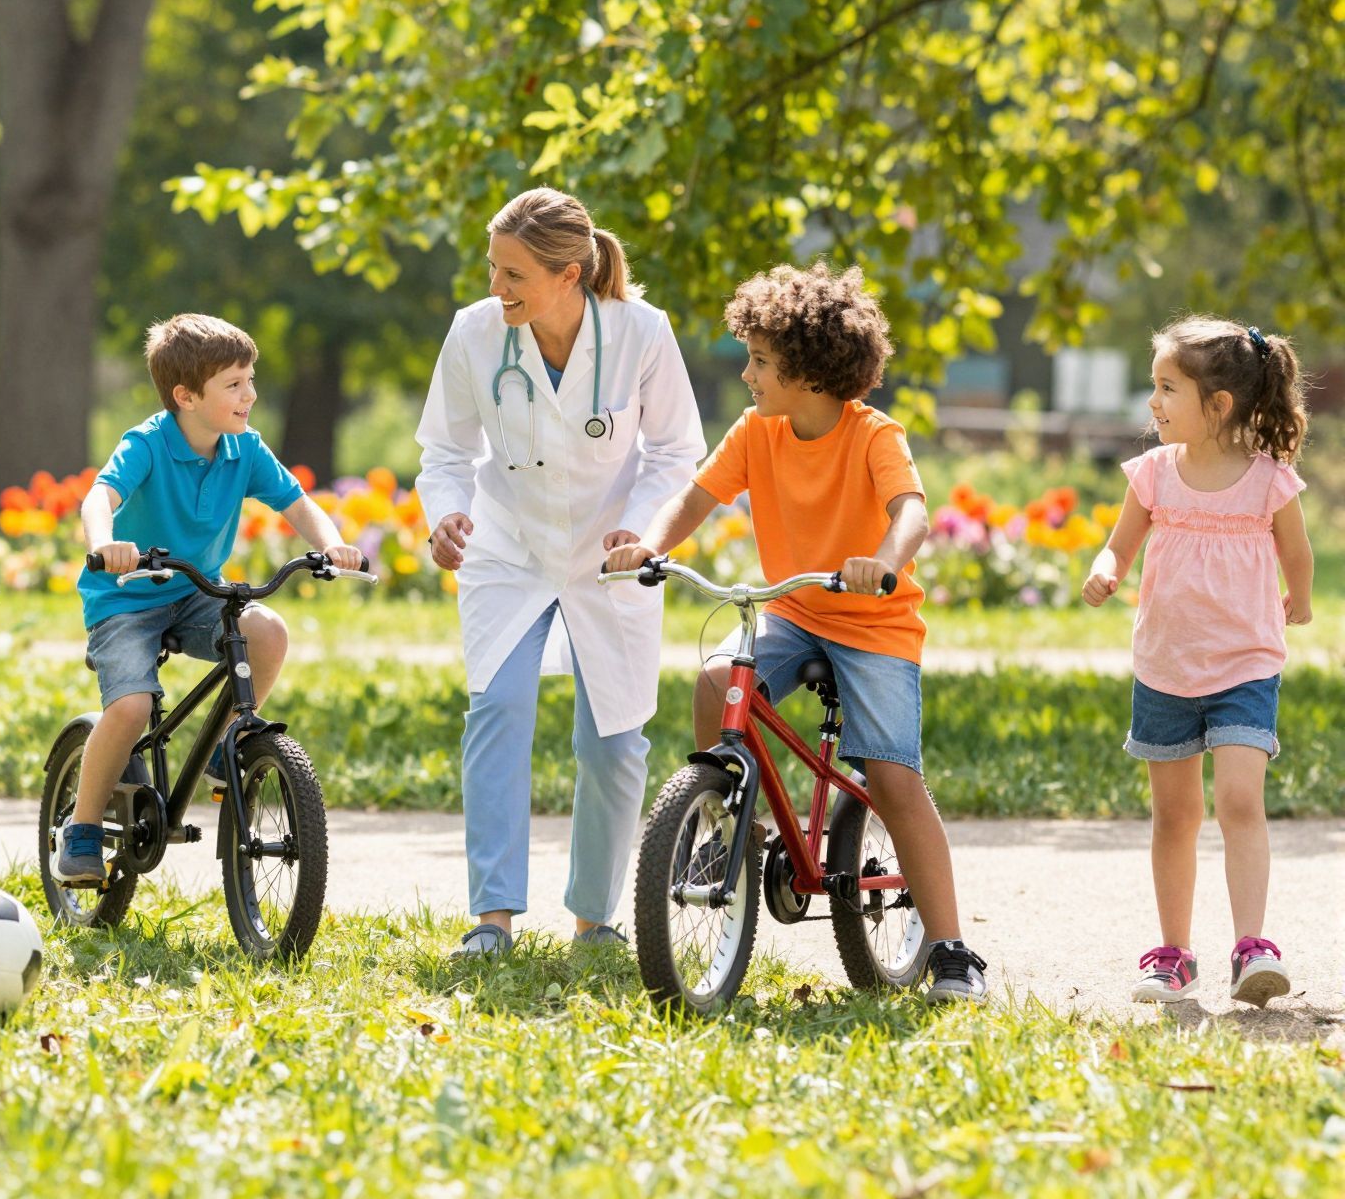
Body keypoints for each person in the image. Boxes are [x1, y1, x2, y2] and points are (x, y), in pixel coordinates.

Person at [605, 262, 989, 1002]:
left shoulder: (875, 435)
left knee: (891, 777)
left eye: (760, 362)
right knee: (719, 680)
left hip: (873, 623)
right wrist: (653, 545)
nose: (747, 373)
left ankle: (950, 950)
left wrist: (884, 559)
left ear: (809, 375)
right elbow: (694, 498)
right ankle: (731, 826)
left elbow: (909, 508)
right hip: (797, 611)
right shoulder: (757, 431)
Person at [417, 188, 704, 958]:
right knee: (498, 714)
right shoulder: (475, 334)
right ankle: (492, 919)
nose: (495, 288)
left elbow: (677, 453)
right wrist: (444, 513)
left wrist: (643, 530)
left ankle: (594, 921)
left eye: (513, 275)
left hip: (610, 558)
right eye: (492, 268)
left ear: (569, 275)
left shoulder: (642, 332)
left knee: (613, 740)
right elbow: (444, 452)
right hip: (508, 549)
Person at [53, 313, 361, 888]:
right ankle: (84, 827)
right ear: (186, 396)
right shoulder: (147, 444)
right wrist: (105, 544)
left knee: (266, 629)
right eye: (234, 384)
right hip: (126, 597)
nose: (250, 394)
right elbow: (99, 498)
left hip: (196, 592)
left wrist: (334, 545)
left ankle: (228, 746)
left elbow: (297, 504)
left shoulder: (244, 449)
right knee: (131, 708)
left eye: (250, 379)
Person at [1082, 317, 1312, 1007]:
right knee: (1175, 815)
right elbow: (1118, 546)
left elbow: (1296, 551)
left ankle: (1251, 947)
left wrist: (1297, 596)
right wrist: (1104, 571)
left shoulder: (1270, 481)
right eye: (1155, 386)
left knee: (1241, 801)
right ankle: (1174, 956)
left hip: (1246, 664)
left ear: (1218, 406)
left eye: (1167, 388)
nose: (1154, 402)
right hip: (1165, 667)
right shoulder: (1153, 474)